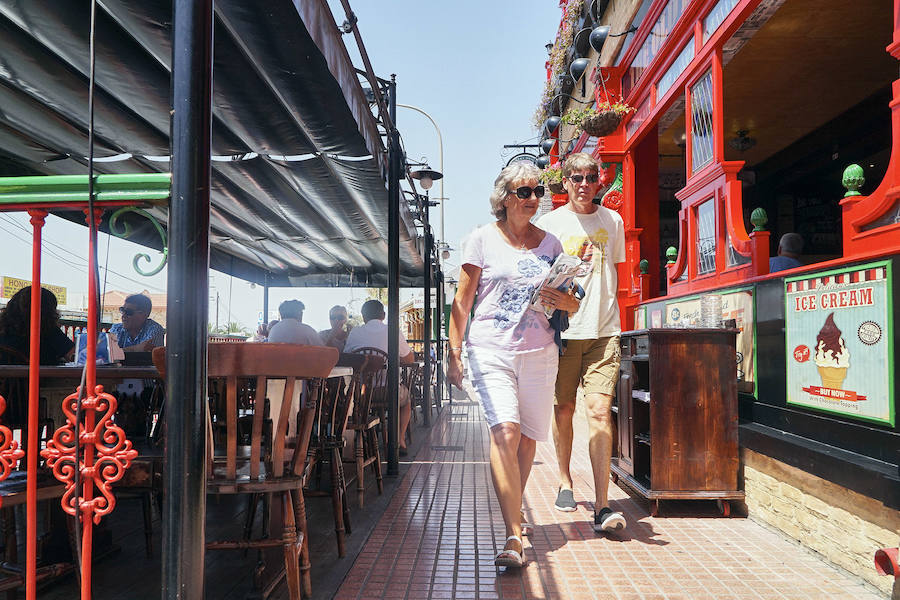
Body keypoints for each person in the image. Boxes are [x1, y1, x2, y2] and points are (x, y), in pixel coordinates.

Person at [447, 162, 570, 569]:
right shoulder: (481, 240)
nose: (533, 198)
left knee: (529, 436)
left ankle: (513, 513)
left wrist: (566, 299)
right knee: (506, 431)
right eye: (523, 192)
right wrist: (454, 352)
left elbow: (569, 301)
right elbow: (462, 302)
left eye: (537, 191)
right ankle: (514, 534)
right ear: (504, 198)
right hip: (490, 350)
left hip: (540, 352)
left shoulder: (551, 244)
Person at [536, 152, 627, 534]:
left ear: (599, 180)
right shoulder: (549, 225)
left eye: (591, 177)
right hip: (563, 333)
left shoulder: (614, 221)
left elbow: (615, 274)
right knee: (564, 410)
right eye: (577, 178)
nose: (585, 184)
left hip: (604, 331)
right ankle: (564, 479)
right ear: (565, 181)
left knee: (600, 413)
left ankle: (603, 505)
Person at [344, 299, 414, 455]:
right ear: (383, 315)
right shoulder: (393, 331)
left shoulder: (355, 332)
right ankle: (399, 440)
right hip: (390, 391)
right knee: (407, 401)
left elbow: (348, 358)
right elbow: (409, 360)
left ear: (363, 317)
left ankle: (366, 437)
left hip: (362, 393)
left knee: (369, 401)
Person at [0, 286, 75, 364]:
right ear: (48, 312)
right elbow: (74, 355)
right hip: (40, 375)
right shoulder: (50, 332)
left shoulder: (4, 331)